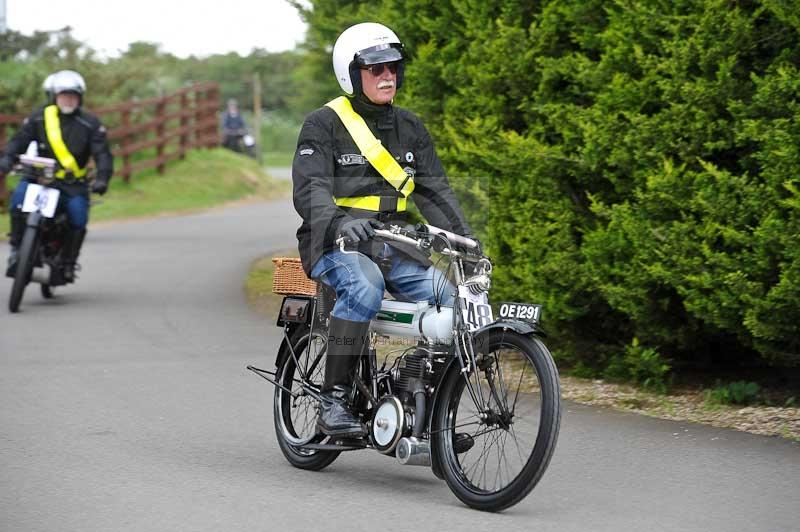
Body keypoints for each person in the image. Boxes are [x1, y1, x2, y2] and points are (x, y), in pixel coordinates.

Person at [292, 22, 477, 437]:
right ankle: (333, 400)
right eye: (375, 69)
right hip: (334, 243)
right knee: (364, 286)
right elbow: (310, 190)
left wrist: (465, 241)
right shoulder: (323, 125)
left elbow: (435, 194)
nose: (387, 75)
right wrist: (341, 221)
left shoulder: (411, 127)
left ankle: (433, 409)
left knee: (455, 297)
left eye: (393, 67)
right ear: (352, 74)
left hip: (397, 246)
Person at [0, 70, 113, 282]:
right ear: (54, 96)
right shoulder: (39, 117)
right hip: (39, 177)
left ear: (80, 98)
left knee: (78, 217)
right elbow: (18, 141)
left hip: (72, 184)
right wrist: (7, 159)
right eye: (63, 95)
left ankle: (69, 262)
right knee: (17, 202)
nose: (68, 100)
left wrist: (102, 179)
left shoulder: (91, 124)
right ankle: (16, 250)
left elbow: (103, 154)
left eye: (73, 96)